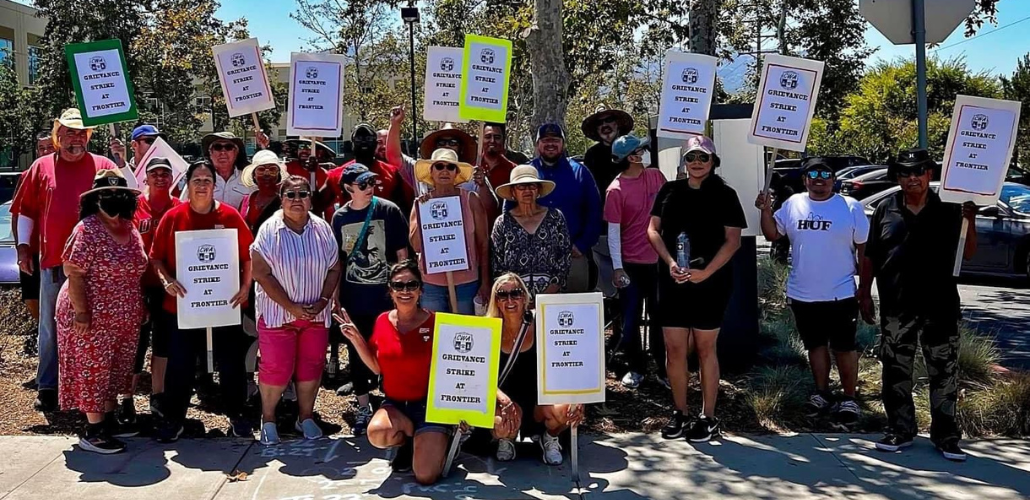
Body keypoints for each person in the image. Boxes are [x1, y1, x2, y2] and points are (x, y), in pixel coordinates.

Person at [859, 148, 977, 462]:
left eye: (919, 171)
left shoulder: (950, 209)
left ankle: (946, 435)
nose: (912, 178)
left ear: (930, 174)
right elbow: (870, 255)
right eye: (905, 173)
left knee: (944, 373)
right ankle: (900, 429)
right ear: (897, 177)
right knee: (897, 371)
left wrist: (970, 219)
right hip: (897, 307)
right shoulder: (886, 208)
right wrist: (863, 293)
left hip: (940, 307)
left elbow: (967, 253)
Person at [12, 108, 118, 412]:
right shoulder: (40, 167)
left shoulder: (105, 166)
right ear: (58, 137)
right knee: (50, 326)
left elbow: (127, 203)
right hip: (55, 262)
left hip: (100, 268)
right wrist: (22, 248)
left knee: (97, 326)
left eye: (81, 132)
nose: (76, 138)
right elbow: (26, 211)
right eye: (69, 132)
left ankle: (94, 389)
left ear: (88, 136)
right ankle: (48, 385)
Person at [756, 157, 869, 427]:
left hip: (840, 293)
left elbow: (864, 249)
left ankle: (849, 398)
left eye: (825, 174)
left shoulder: (850, 207)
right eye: (813, 173)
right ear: (805, 179)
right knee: (815, 346)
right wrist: (765, 210)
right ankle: (822, 393)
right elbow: (773, 234)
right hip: (803, 293)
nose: (820, 178)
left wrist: (864, 288)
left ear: (834, 178)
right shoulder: (794, 203)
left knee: (844, 347)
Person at [648, 135, 746, 442]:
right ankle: (680, 412)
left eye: (703, 157)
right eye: (691, 157)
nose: (697, 163)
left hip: (711, 283)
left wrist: (706, 272)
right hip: (673, 281)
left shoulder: (725, 194)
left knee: (705, 349)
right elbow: (652, 230)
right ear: (683, 161)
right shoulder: (669, 190)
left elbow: (733, 240)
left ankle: (709, 416)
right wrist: (668, 262)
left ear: (714, 161)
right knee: (675, 350)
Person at [150, 160, 255, 442]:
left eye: (207, 180)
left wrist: (246, 286)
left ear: (214, 184)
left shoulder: (231, 217)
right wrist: (166, 281)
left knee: (231, 362)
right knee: (181, 363)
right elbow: (156, 257)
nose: (202, 185)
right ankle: (175, 419)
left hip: (225, 303)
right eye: (196, 179)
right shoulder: (173, 218)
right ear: (187, 183)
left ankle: (238, 416)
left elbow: (248, 256)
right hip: (184, 305)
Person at [57, 169, 147, 454]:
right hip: (91, 314)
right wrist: (82, 313)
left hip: (125, 313)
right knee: (93, 368)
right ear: (94, 199)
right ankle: (93, 431)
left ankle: (108, 421)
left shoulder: (130, 227)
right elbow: (74, 273)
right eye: (105, 194)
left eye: (118, 193)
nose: (112, 198)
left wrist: (140, 304)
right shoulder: (86, 229)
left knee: (116, 368)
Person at [336, 260, 449, 484]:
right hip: (396, 405)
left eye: (411, 284)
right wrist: (357, 339)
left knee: (425, 476)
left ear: (421, 289)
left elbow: (456, 369)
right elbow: (377, 367)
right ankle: (408, 441)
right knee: (377, 433)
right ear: (390, 290)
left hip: (430, 406)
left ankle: (437, 439)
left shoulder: (437, 323)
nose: (405, 291)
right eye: (399, 286)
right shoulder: (382, 321)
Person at [251, 176, 341, 445]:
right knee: (275, 369)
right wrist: (291, 307)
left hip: (315, 314)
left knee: (311, 368)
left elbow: (334, 267)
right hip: (279, 315)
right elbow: (261, 273)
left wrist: (324, 300)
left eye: (303, 194)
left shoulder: (323, 229)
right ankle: (268, 419)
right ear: (282, 199)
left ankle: (306, 417)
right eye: (290, 195)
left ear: (310, 199)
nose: (297, 200)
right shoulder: (269, 230)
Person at [468, 273, 585, 464]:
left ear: (525, 296)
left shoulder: (544, 323)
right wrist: (502, 399)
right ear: (495, 301)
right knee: (500, 425)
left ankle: (550, 438)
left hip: (540, 398)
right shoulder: (486, 330)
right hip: (506, 399)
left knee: (565, 410)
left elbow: (568, 359)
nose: (510, 300)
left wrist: (578, 396)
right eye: (502, 295)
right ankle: (507, 438)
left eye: (515, 293)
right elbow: (480, 376)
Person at [331, 164, 410, 435]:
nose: (369, 188)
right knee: (356, 350)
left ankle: (392, 402)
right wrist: (336, 296)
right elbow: (338, 261)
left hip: (386, 299)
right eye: (363, 184)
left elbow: (402, 254)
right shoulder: (339, 218)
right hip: (355, 297)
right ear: (348, 189)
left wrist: (404, 291)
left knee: (389, 351)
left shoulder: (388, 210)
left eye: (371, 183)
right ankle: (363, 405)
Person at [506, 124, 601, 293]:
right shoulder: (526, 173)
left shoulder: (580, 172)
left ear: (563, 144)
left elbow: (595, 212)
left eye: (555, 140)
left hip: (573, 256)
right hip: (532, 261)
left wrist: (582, 244)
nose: (550, 144)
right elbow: (509, 213)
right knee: (534, 312)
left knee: (572, 312)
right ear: (537, 145)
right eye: (545, 140)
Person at [605, 134, 667, 389]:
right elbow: (613, 233)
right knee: (630, 320)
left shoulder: (656, 177)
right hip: (630, 263)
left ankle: (664, 370)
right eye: (641, 149)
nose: (645, 151)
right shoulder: (615, 190)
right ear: (632, 157)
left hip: (659, 262)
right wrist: (618, 267)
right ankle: (636, 368)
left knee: (660, 318)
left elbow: (668, 211)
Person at [124, 157, 183, 425]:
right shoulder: (135, 208)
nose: (160, 178)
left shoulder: (180, 207)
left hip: (170, 287)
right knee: (134, 345)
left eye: (165, 173)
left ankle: (158, 396)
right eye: (155, 173)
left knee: (163, 343)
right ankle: (126, 398)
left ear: (172, 178)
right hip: (139, 285)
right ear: (145, 177)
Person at [408, 149, 490, 315]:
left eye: (450, 167)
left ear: (456, 172)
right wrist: (424, 212)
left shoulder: (471, 200)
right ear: (432, 171)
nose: (444, 170)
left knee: (465, 331)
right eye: (439, 166)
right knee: (434, 334)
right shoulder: (421, 203)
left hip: (467, 283)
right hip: (431, 283)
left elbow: (484, 243)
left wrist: (485, 282)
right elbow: (416, 246)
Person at [491, 165, 571, 298]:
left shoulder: (555, 218)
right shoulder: (502, 223)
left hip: (552, 297)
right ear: (513, 192)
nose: (527, 190)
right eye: (521, 186)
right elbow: (497, 265)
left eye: (532, 186)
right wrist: (518, 297)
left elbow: (564, 258)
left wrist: (546, 295)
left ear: (538, 190)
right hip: (514, 299)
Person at [323, 124, 413, 216]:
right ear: (352, 144)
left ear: (375, 143)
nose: (364, 142)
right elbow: (316, 205)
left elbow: (404, 208)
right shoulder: (336, 175)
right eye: (358, 139)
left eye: (368, 139)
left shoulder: (391, 172)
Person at [386, 105, 478, 195]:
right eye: (441, 142)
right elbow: (394, 157)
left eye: (452, 142)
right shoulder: (418, 170)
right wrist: (395, 124)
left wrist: (482, 184)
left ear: (461, 148)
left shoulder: (474, 176)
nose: (446, 145)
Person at [179, 132, 254, 211]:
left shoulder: (248, 179)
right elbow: (183, 207)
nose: (223, 152)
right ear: (210, 153)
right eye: (217, 147)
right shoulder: (198, 178)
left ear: (236, 152)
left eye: (228, 147)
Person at [581, 108, 634, 213]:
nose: (604, 125)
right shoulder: (592, 155)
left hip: (633, 211)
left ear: (617, 123)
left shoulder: (633, 148)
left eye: (609, 120)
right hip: (604, 213)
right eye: (599, 123)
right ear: (596, 129)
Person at [240, 150, 290, 234]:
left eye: (272, 170)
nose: (267, 174)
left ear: (278, 175)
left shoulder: (285, 201)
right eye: (261, 170)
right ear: (254, 175)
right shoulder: (247, 200)